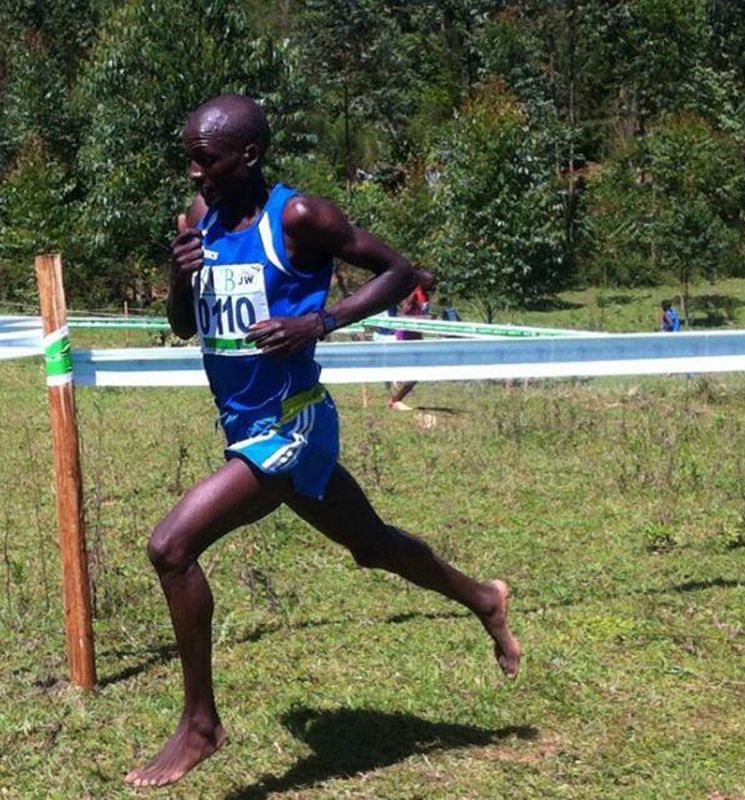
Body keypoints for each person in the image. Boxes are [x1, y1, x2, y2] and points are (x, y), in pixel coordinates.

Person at [124, 95, 522, 789]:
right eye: (189, 157)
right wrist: (177, 275)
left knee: (171, 547)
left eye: (205, 158)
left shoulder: (300, 216)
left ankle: (200, 726)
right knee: (372, 545)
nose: (193, 173)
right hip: (246, 428)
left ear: (247, 155)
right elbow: (186, 326)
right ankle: (485, 599)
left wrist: (321, 322)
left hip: (295, 423)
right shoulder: (199, 222)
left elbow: (404, 272)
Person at [386, 280, 432, 411]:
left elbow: (423, 315)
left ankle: (396, 399)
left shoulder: (425, 295)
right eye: (431, 282)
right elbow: (405, 312)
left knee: (418, 373)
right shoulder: (412, 292)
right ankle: (395, 398)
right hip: (405, 338)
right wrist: (413, 298)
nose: (433, 285)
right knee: (414, 372)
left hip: (416, 337)